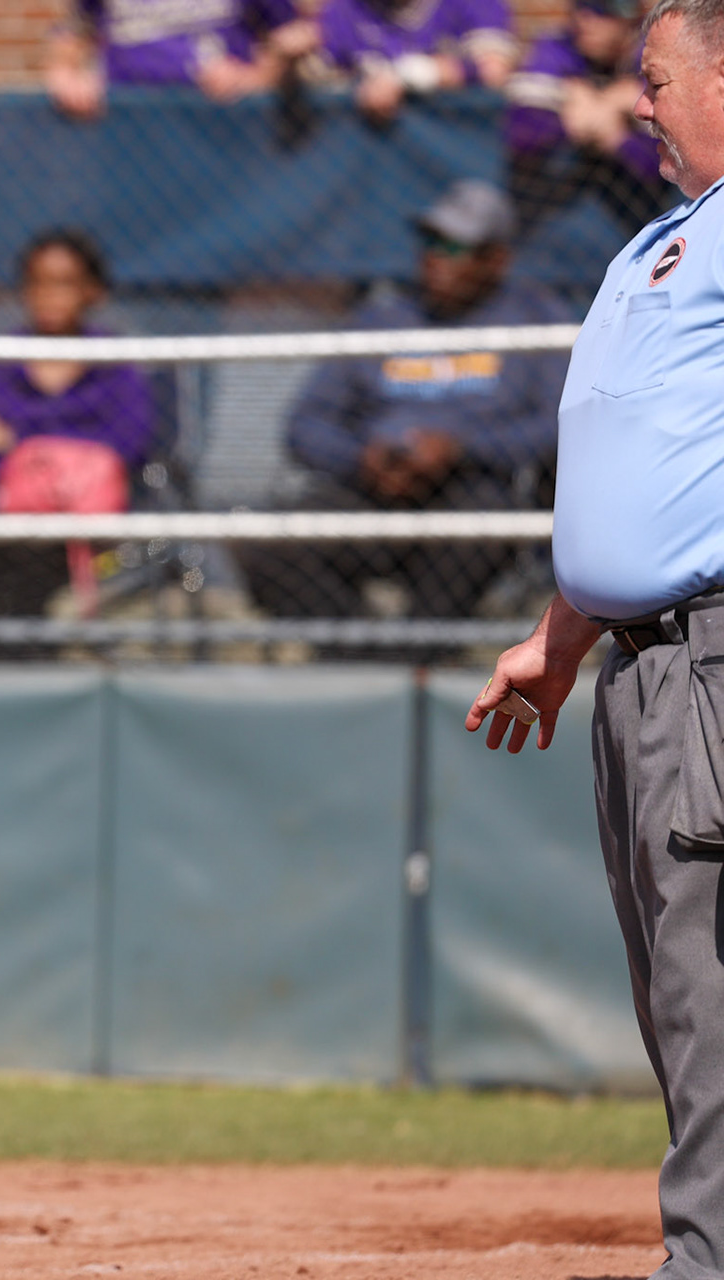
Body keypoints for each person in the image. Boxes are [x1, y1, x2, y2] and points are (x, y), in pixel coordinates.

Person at [468, 1, 724, 1271]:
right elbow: (641, 470)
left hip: (715, 657)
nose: (636, 103)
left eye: (658, 77)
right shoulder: (659, 245)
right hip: (638, 662)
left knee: (712, 989)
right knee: (677, 990)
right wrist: (560, 640)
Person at [238, 180, 574, 623]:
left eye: (455, 247)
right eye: (430, 242)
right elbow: (305, 424)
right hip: (374, 486)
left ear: (496, 260)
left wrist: (459, 448)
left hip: (472, 489)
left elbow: (558, 424)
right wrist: (363, 457)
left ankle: (423, 655)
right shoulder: (380, 319)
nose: (435, 258)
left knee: (485, 525)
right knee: (262, 544)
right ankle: (369, 659)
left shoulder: (537, 317)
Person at [0, 228, 159, 623]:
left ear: (93, 291)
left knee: (33, 564)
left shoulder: (116, 365)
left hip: (90, 526)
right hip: (5, 521)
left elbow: (129, 445)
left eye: (63, 283)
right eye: (37, 282)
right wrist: (70, 453)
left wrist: (16, 443)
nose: (48, 294)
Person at [506, 0, 667, 235]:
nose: (584, 20)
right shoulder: (559, 44)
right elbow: (522, 136)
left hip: (642, 230)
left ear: (629, 17)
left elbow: (659, 164)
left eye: (599, 9)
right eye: (579, 8)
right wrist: (569, 123)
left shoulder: (656, 49)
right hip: (550, 233)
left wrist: (615, 137)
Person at [45, 0, 320, 118]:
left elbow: (297, 34)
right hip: (128, 131)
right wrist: (64, 75)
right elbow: (75, 30)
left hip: (223, 128)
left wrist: (256, 77)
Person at [316, 0, 519, 123]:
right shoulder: (344, 8)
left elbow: (494, 70)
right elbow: (313, 83)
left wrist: (406, 75)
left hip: (453, 161)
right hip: (364, 167)